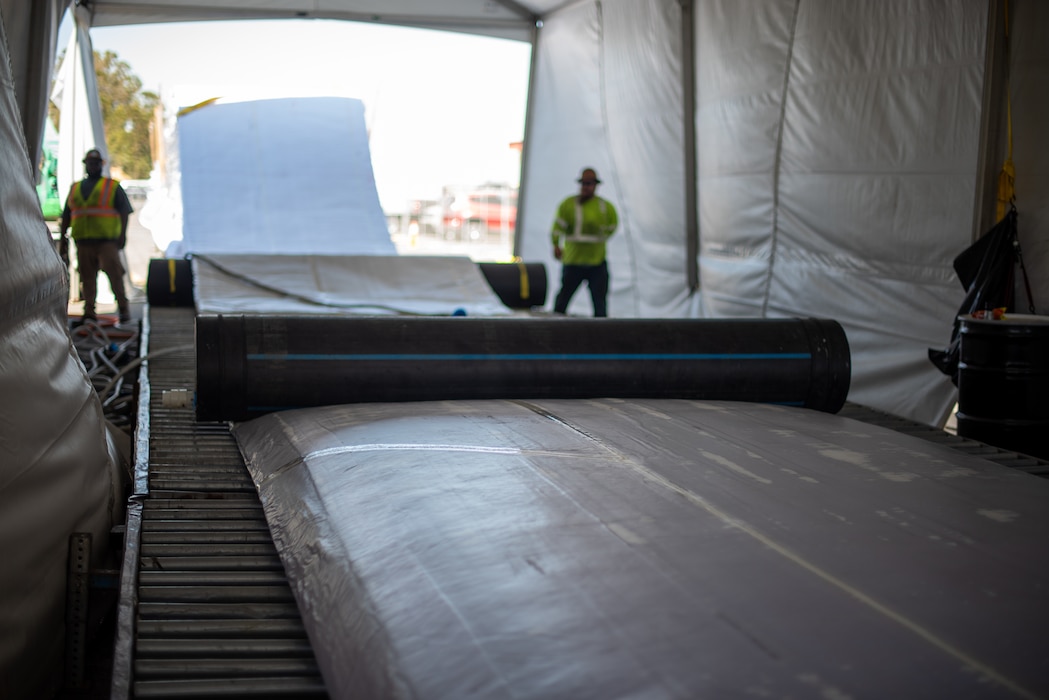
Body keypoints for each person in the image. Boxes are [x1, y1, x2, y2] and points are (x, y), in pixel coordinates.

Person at [59, 148, 134, 324]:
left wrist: (122, 236)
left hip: (107, 242)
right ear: (85, 165)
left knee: (114, 275)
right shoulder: (75, 188)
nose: (92, 166)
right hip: (83, 241)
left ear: (101, 165)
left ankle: (123, 310)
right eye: (89, 163)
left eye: (95, 163)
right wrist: (63, 238)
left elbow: (125, 211)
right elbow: (67, 215)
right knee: (87, 278)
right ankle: (89, 313)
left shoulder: (112, 186)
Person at [550, 167, 618, 316]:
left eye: (590, 183)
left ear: (596, 185)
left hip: (596, 263)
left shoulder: (605, 207)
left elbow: (613, 226)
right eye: (584, 183)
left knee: (600, 304)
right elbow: (557, 227)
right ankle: (554, 329)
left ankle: (601, 333)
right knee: (562, 300)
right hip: (573, 262)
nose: (586, 187)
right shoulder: (568, 205)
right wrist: (555, 244)